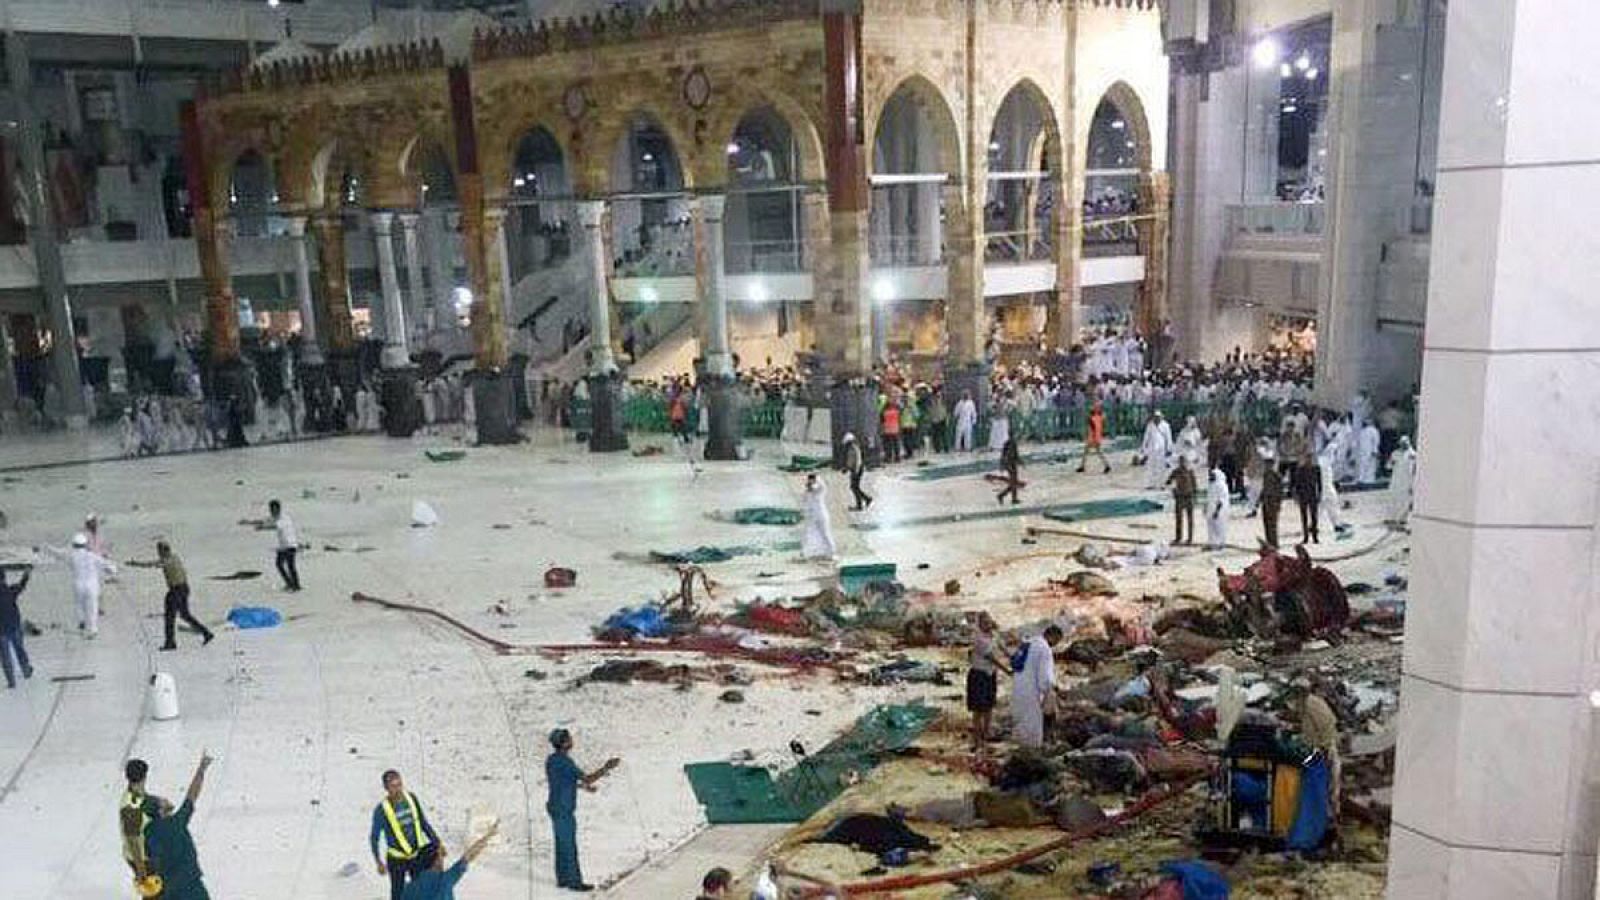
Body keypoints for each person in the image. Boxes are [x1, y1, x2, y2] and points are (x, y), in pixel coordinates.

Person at [545, 729, 621, 892]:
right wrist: (606, 767)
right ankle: (574, 882)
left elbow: (562, 781)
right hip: (563, 809)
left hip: (554, 806)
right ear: (564, 743)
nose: (572, 740)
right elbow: (587, 777)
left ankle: (563, 878)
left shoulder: (552, 760)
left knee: (560, 844)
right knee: (569, 845)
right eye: (569, 739)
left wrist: (583, 788)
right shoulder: (566, 762)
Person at [143, 752, 216, 900]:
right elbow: (192, 794)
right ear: (160, 811)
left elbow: (148, 866)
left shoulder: (148, 833)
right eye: (162, 801)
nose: (165, 799)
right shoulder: (176, 822)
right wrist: (201, 769)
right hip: (191, 887)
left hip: (168, 892)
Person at [371, 770, 443, 900]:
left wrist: (438, 843)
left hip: (415, 855)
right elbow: (374, 837)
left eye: (399, 784)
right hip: (397, 859)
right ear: (386, 788)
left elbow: (423, 823)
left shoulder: (411, 799)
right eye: (393, 786)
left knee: (419, 890)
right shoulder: (382, 810)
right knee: (398, 894)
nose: (398, 789)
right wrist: (378, 861)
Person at [130, 541, 214, 651]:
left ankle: (170, 642)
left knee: (170, 617)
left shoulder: (167, 560)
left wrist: (137, 564)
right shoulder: (175, 557)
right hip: (184, 588)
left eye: (159, 551)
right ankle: (206, 633)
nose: (158, 553)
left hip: (176, 590)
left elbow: (154, 564)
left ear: (163, 550)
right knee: (185, 615)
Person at [400, 820, 500, 900]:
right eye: (441, 856)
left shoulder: (408, 889)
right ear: (435, 861)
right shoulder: (444, 879)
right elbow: (469, 856)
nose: (443, 859)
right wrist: (488, 836)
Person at [53, 532, 116, 638]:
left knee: (79, 604)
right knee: (92, 607)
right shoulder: (92, 556)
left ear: (74, 545)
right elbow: (106, 565)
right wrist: (113, 570)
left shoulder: (71, 555)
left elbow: (59, 554)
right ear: (85, 544)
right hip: (91, 585)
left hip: (78, 584)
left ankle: (81, 622)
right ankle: (92, 629)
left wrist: (45, 547)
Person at [1011, 624, 1062, 748]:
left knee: (1022, 722)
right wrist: (1051, 689)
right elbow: (1045, 677)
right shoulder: (1044, 648)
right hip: (1032, 690)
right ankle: (1037, 747)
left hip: (1018, 687)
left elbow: (1014, 663)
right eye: (1056, 641)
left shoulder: (1028, 643)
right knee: (1034, 724)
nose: (1055, 645)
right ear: (1052, 636)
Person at [966, 612, 1010, 750]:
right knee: (978, 709)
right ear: (979, 624)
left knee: (989, 705)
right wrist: (1007, 670)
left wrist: (1013, 657)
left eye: (989, 622)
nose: (988, 625)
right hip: (979, 674)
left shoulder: (993, 635)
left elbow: (1003, 648)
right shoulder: (979, 639)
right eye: (985, 623)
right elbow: (991, 657)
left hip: (990, 674)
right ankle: (977, 739)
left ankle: (986, 733)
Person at [121, 758, 159, 882]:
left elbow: (144, 798)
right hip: (142, 858)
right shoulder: (131, 807)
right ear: (144, 776)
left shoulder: (134, 792)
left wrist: (158, 802)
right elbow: (132, 839)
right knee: (153, 891)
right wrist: (140, 868)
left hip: (147, 852)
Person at [0, 566, 33, 688]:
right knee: (19, 649)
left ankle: (11, 680)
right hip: (14, 625)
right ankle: (26, 669)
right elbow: (21, 585)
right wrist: (26, 574)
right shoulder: (10, 590)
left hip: (1, 630)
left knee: (5, 656)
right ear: (4, 577)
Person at [800, 473, 837, 561]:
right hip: (812, 516)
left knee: (825, 533)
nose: (810, 484)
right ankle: (809, 552)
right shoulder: (807, 492)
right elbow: (804, 502)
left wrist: (814, 483)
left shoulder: (820, 489)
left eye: (812, 481)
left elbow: (819, 486)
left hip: (821, 515)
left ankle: (831, 552)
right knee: (808, 533)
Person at [269, 500, 301, 591]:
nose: (273, 512)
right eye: (271, 510)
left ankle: (295, 585)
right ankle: (290, 583)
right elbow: (269, 521)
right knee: (279, 564)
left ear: (279, 509)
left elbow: (276, 526)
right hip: (283, 546)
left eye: (274, 509)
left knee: (290, 566)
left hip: (290, 545)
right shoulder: (277, 518)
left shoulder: (283, 518)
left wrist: (262, 527)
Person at [1291, 452, 1322, 544]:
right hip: (1303, 495)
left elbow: (1319, 483)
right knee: (1304, 517)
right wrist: (1296, 496)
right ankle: (1306, 536)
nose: (1309, 460)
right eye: (1307, 458)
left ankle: (1315, 536)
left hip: (1312, 495)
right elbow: (1296, 484)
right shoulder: (1300, 470)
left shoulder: (1316, 469)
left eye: (1310, 458)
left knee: (1314, 517)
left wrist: (1319, 494)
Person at [1167, 454, 1197, 545]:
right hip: (1179, 497)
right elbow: (1168, 481)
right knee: (1179, 519)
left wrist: (1194, 496)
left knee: (1190, 519)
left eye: (1184, 461)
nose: (1182, 463)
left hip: (1188, 497)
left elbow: (1195, 485)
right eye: (1181, 462)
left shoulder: (1190, 471)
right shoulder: (1176, 472)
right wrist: (1173, 489)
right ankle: (1178, 537)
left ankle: (1190, 538)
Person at [1387, 436, 1418, 524]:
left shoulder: (1413, 454)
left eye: (1405, 443)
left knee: (1405, 499)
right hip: (1396, 479)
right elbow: (1388, 466)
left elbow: (1415, 469)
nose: (1403, 445)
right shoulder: (1395, 453)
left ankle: (1403, 519)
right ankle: (1392, 517)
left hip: (1407, 480)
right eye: (1401, 443)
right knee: (1394, 498)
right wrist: (1391, 463)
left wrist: (1413, 483)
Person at [1075, 401, 1111, 474]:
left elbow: (1094, 427)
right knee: (1090, 451)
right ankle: (1083, 466)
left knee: (1095, 451)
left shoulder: (1095, 417)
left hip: (1094, 436)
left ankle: (1106, 465)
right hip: (1095, 436)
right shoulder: (1098, 417)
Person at [1140, 410, 1173, 488]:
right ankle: (1150, 484)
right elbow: (1146, 437)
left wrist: (1169, 448)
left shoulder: (1166, 425)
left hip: (1161, 449)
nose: (1157, 418)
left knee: (1161, 467)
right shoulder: (1150, 425)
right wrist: (1143, 447)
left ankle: (1161, 484)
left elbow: (1168, 438)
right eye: (1155, 417)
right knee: (1151, 467)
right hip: (1151, 449)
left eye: (1158, 417)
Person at [1261, 453, 1285, 549]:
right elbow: (1264, 488)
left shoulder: (1277, 476)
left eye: (1269, 465)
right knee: (1266, 523)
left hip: (1273, 502)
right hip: (1266, 502)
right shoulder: (1265, 475)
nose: (1267, 467)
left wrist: (1278, 503)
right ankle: (1269, 542)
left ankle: (1274, 543)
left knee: (1273, 524)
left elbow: (1280, 490)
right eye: (1266, 465)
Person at [1205, 466, 1232, 550]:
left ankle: (1221, 543)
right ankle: (1212, 544)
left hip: (1219, 510)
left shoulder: (1221, 485)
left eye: (1212, 475)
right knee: (1211, 528)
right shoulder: (1211, 485)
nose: (1210, 476)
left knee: (1220, 527)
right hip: (1211, 509)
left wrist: (1217, 511)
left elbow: (1221, 500)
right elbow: (1209, 498)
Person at [842, 433, 871, 511]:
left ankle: (861, 504)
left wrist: (847, 468)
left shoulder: (852, 449)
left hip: (856, 470)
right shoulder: (856, 446)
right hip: (858, 469)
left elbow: (852, 461)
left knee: (854, 487)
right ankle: (865, 500)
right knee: (855, 487)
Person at [995, 436, 1022, 505]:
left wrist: (1020, 461)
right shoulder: (1008, 444)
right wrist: (1004, 465)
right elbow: (1005, 456)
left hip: (1012, 464)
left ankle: (1010, 497)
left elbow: (1016, 454)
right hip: (1010, 465)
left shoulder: (1013, 443)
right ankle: (1003, 496)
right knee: (1014, 482)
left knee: (1014, 483)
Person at [1355, 420, 1381, 484]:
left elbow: (1376, 441)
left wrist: (1374, 450)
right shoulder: (1362, 431)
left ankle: (1369, 480)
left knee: (1370, 466)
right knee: (1362, 465)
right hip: (1363, 451)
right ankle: (1362, 479)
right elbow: (1358, 442)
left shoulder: (1373, 430)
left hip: (1370, 451)